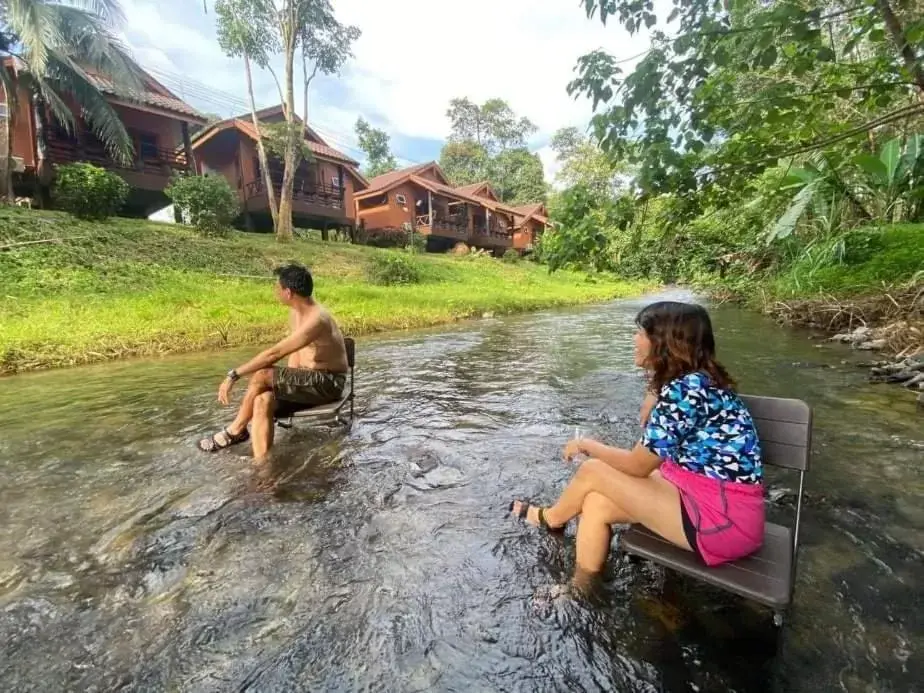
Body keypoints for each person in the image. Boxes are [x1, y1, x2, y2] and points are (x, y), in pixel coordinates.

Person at [509, 300, 764, 590]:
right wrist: (654, 392)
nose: (635, 339)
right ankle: (581, 587)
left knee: (593, 471)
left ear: (663, 343)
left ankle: (552, 518)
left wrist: (586, 444)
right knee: (596, 502)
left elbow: (638, 465)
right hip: (704, 496)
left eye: (641, 333)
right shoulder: (695, 381)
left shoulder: (686, 390)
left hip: (723, 521)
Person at [198, 263, 349, 459]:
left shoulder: (317, 319)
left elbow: (274, 354)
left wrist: (234, 375)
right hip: (307, 383)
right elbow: (295, 355)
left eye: (277, 287)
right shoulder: (296, 313)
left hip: (328, 383)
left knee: (262, 375)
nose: (275, 291)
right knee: (263, 400)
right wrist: (283, 387)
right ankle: (263, 467)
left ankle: (236, 430)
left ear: (288, 292)